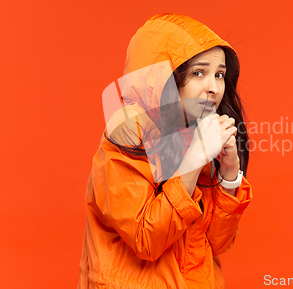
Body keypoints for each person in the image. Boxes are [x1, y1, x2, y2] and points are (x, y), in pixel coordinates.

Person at [77, 14, 253, 289]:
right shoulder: (125, 138)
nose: (213, 87)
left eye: (219, 74)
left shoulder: (196, 134)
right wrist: (194, 160)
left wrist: (230, 174)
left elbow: (218, 243)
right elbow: (146, 240)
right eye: (199, 73)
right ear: (161, 79)